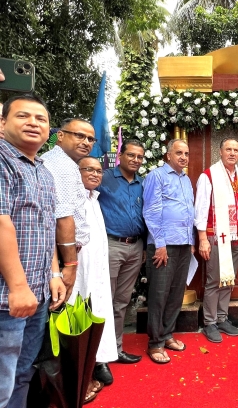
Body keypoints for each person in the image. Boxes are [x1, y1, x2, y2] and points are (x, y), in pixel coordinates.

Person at [0, 94, 65, 407]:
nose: (33, 123)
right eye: (23, 116)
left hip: (37, 295)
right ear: (3, 123)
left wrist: (53, 273)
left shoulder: (43, 171)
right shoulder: (2, 161)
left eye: (40, 119)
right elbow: (1, 224)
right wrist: (17, 286)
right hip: (8, 299)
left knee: (23, 371)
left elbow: (47, 228)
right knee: (2, 380)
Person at [194, 138, 238, 343]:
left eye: (236, 150)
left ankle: (222, 318)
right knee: (214, 281)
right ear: (220, 152)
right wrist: (203, 239)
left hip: (237, 236)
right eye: (228, 149)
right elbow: (201, 208)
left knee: (228, 280)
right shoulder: (209, 176)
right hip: (217, 236)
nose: (232, 153)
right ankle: (209, 322)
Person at [142, 139, 195, 364]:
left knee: (176, 294)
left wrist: (191, 240)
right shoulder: (157, 176)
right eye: (179, 153)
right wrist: (160, 244)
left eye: (186, 153)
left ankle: (167, 334)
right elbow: (151, 211)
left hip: (183, 244)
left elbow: (188, 212)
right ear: (168, 155)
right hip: (164, 245)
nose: (183, 157)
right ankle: (155, 343)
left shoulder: (186, 180)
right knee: (159, 295)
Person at [97, 139, 147, 365]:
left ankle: (115, 350)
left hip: (135, 247)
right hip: (111, 245)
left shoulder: (142, 183)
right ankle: (99, 355)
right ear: (121, 155)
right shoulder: (104, 177)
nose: (136, 160)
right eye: (131, 155)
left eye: (140, 157)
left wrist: (145, 247)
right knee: (104, 299)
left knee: (122, 301)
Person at [71, 156, 117, 399]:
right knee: (81, 315)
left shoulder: (94, 199)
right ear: (76, 172)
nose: (95, 174)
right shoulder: (74, 198)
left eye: (99, 171)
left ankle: (98, 360)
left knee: (99, 310)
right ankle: (82, 372)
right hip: (79, 273)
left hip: (97, 270)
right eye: (88, 169)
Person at [42, 118, 95, 302]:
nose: (86, 142)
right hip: (60, 254)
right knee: (59, 304)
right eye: (79, 135)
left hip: (62, 253)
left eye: (90, 139)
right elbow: (63, 218)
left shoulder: (66, 163)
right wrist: (70, 264)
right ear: (61, 136)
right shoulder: (61, 165)